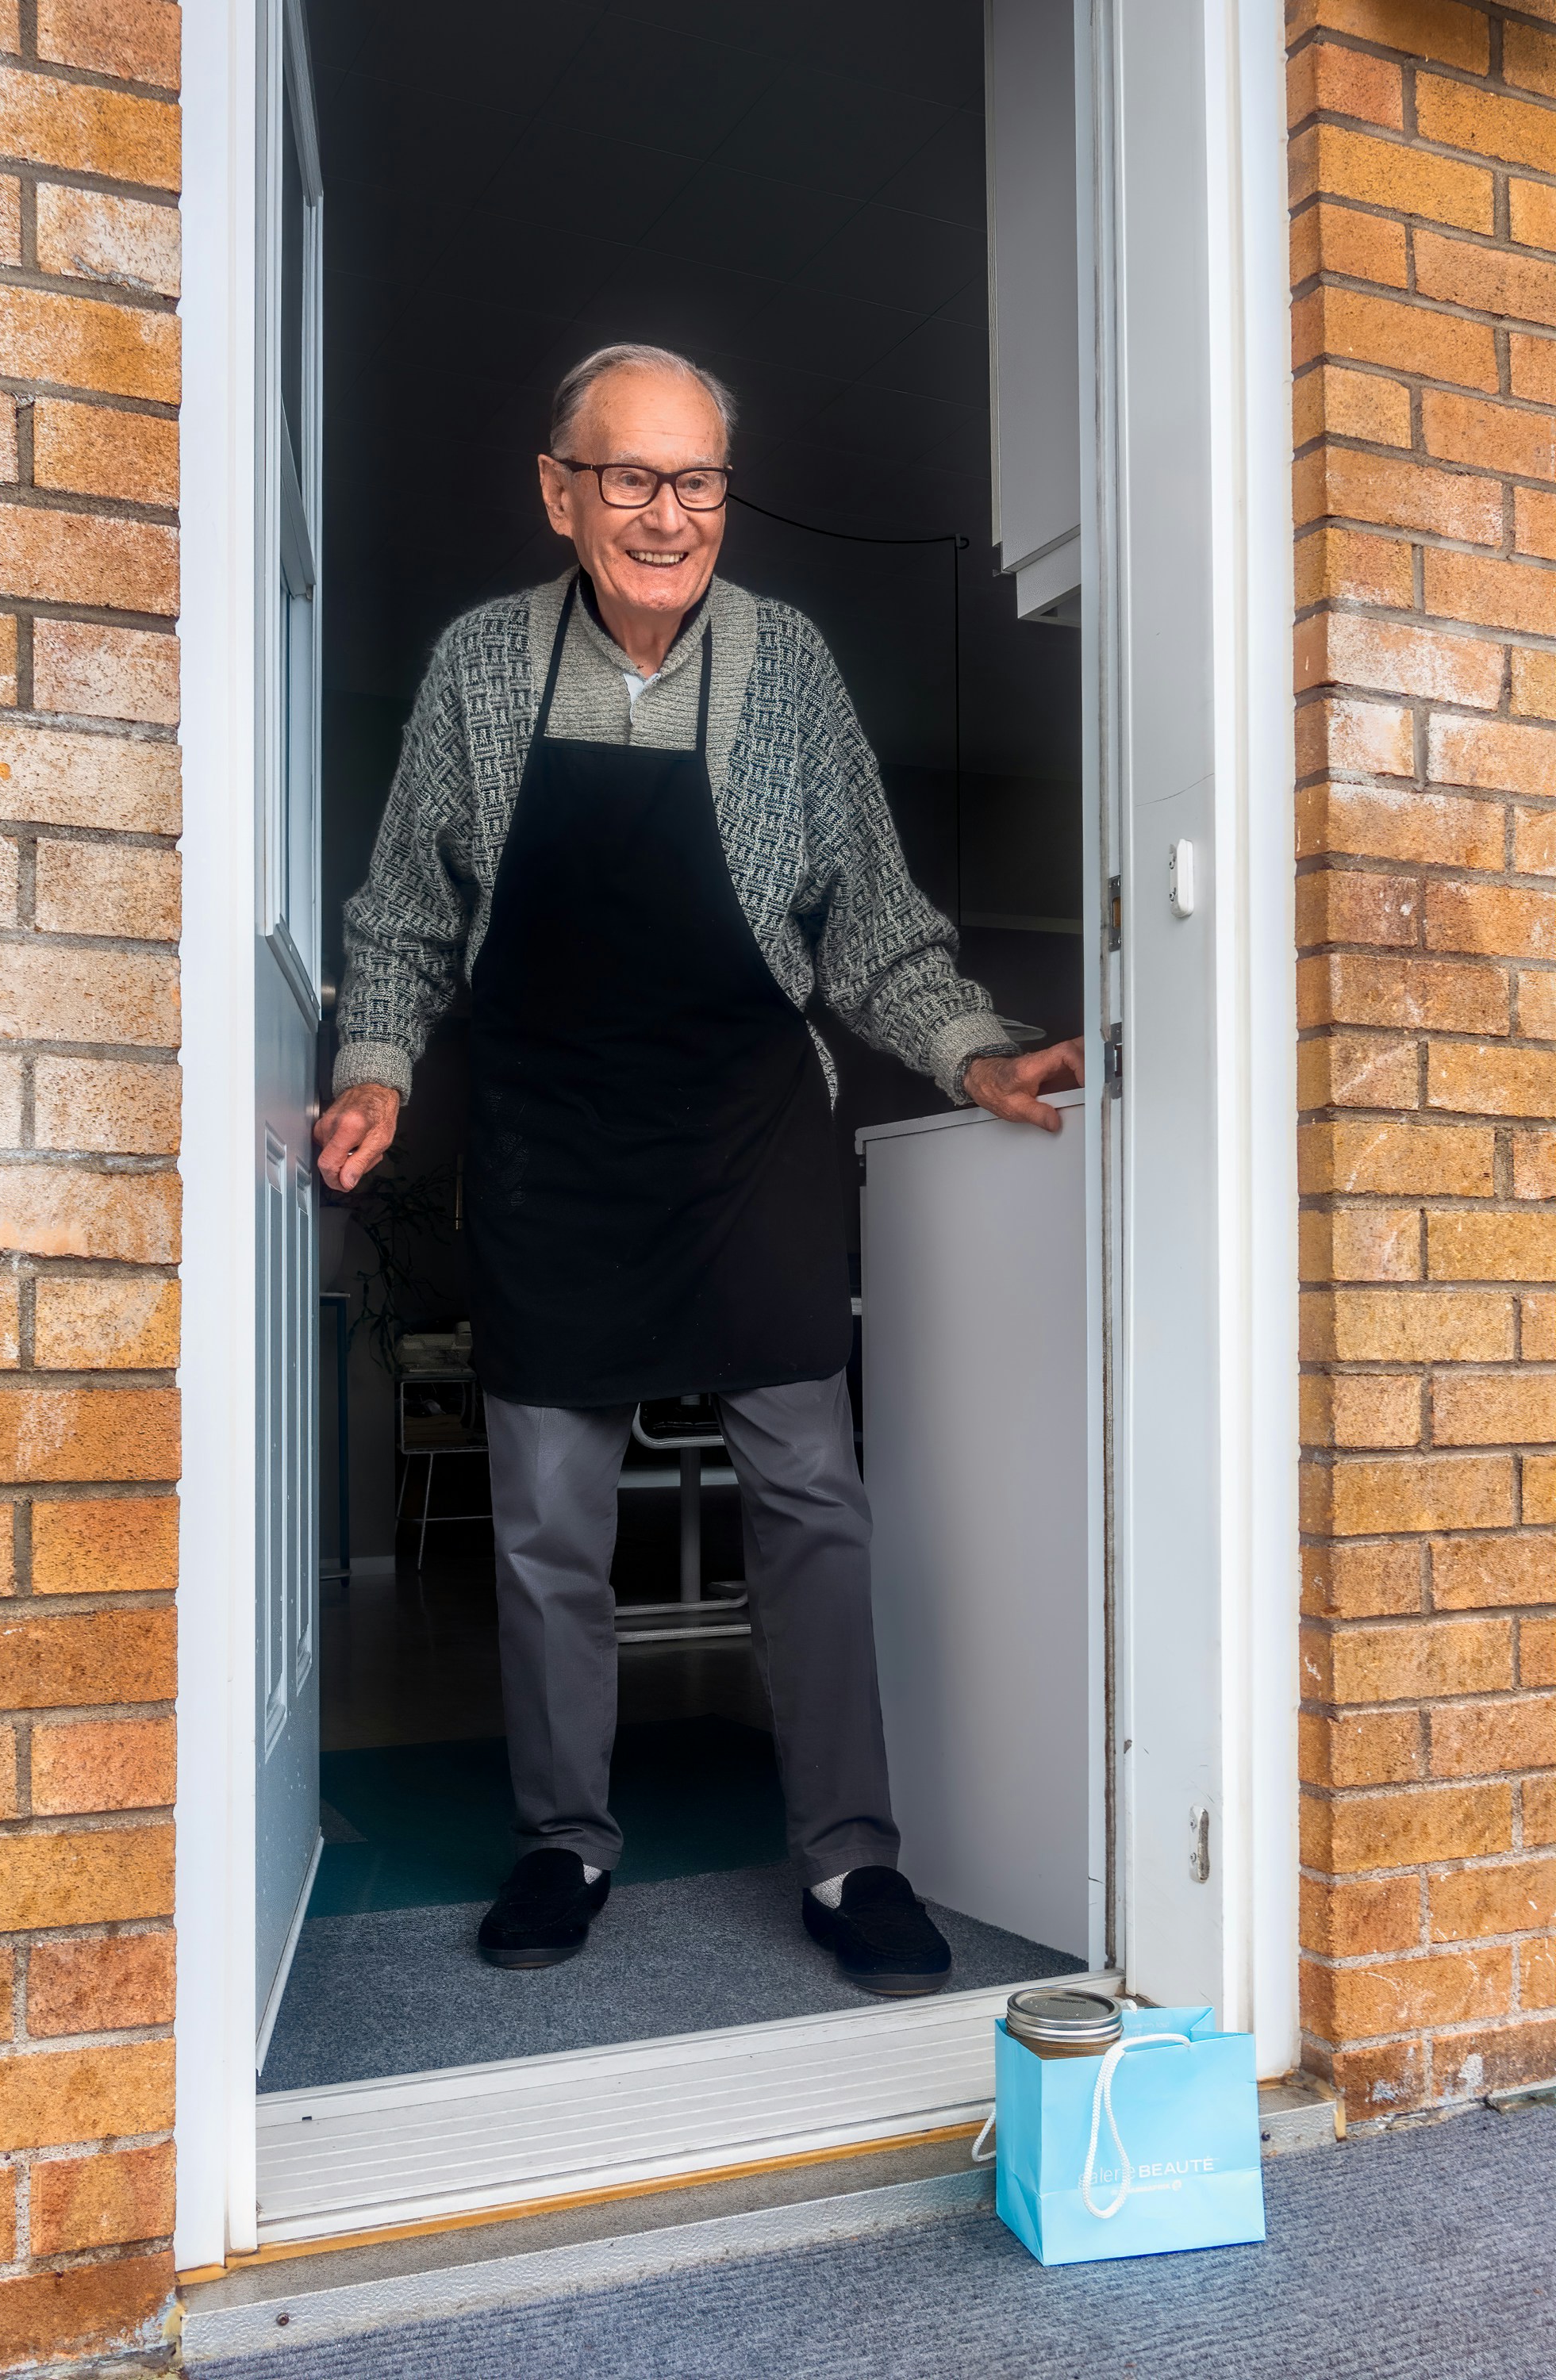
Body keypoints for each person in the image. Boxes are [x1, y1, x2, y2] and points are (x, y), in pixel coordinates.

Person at [317, 343, 1085, 1996]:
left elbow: (868, 922)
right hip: (551, 1143)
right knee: (542, 1524)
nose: (668, 517)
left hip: (742, 1134)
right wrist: (373, 1070)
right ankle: (563, 1837)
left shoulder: (787, 665)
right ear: (560, 491)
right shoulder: (475, 668)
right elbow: (398, 918)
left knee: (810, 1500)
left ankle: (846, 1859)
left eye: (700, 482)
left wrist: (971, 1048)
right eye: (631, 478)